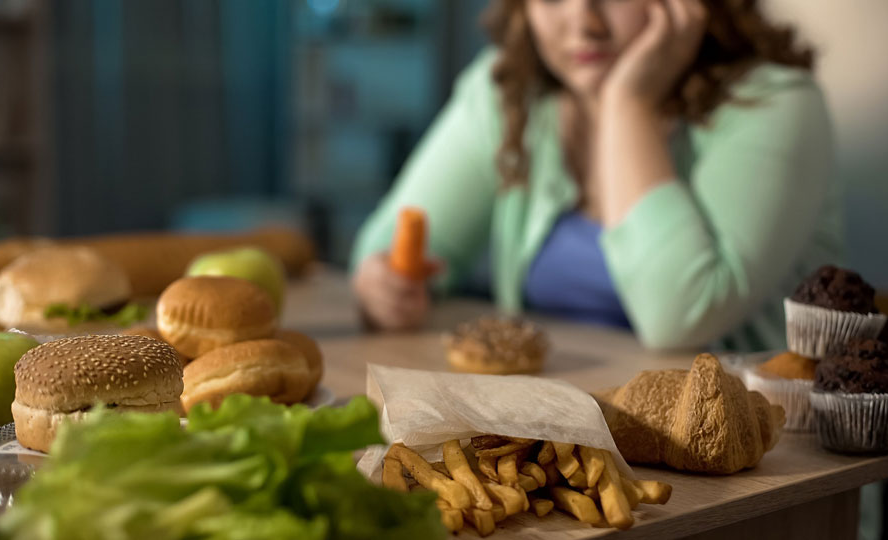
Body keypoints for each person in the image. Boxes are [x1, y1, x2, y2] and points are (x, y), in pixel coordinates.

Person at [351, 0, 841, 352]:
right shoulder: (507, 90)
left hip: (755, 469)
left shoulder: (775, 104)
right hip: (558, 439)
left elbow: (681, 316)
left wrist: (628, 104)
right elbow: (389, 244)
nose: (583, 22)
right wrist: (385, 284)